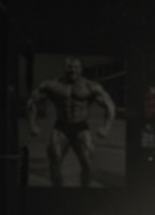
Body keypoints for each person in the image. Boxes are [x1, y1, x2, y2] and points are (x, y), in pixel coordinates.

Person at [27, 57, 116, 187]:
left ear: (81, 69)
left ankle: (83, 191)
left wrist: (106, 127)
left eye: (76, 67)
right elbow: (32, 102)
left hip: (81, 127)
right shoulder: (52, 85)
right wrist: (32, 125)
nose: (73, 70)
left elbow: (109, 105)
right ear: (65, 68)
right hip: (61, 128)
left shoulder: (90, 86)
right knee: (55, 163)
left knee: (87, 164)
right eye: (70, 67)